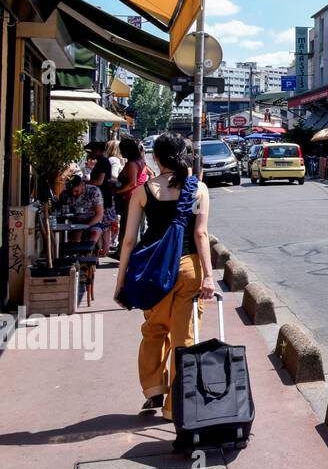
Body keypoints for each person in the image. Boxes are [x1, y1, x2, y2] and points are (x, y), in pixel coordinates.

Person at [114, 133, 214, 418]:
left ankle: (155, 389)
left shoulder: (143, 191)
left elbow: (129, 241)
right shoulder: (199, 189)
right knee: (186, 338)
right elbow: (201, 233)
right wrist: (208, 276)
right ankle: (177, 407)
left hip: (154, 271)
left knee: (154, 330)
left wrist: (121, 282)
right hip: (189, 269)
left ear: (155, 158)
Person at [111, 138, 148, 257]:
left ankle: (125, 253)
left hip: (131, 198)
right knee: (135, 227)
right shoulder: (141, 161)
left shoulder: (132, 164)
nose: (121, 152)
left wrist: (118, 191)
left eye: (122, 150)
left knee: (128, 226)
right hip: (140, 197)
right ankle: (126, 252)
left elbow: (132, 183)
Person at [58, 174, 105, 248]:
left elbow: (99, 215)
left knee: (93, 236)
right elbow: (61, 212)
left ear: (82, 184)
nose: (73, 194)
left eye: (76, 191)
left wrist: (83, 228)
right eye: (71, 191)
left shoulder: (94, 191)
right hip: (73, 224)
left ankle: (90, 253)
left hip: (92, 222)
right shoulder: (65, 194)